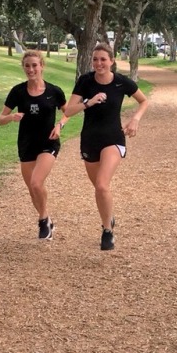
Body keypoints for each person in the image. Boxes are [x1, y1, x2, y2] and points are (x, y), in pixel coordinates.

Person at [65, 42, 149, 250]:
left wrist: (135, 119)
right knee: (100, 189)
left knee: (102, 185)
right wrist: (88, 102)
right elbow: (68, 110)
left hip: (113, 138)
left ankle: (107, 232)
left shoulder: (121, 83)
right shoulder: (85, 81)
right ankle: (108, 217)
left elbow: (144, 101)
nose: (99, 63)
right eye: (95, 59)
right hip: (90, 140)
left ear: (112, 61)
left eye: (103, 59)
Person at [0, 49, 67, 240]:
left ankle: (43, 220)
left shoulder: (54, 91)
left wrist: (59, 126)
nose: (31, 69)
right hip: (26, 144)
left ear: (41, 66)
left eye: (34, 65)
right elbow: (0, 119)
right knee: (32, 190)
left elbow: (67, 112)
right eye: (27, 66)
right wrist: (11, 117)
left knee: (37, 182)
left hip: (48, 143)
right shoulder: (18, 91)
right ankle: (47, 219)